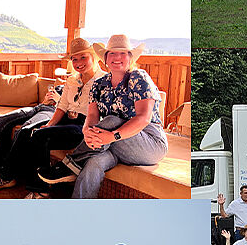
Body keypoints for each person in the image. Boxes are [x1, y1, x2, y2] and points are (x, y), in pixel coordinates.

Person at [38, 35, 168, 198]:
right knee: (93, 163)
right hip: (113, 143)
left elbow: (143, 118)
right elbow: (92, 115)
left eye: (122, 53)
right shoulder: (99, 84)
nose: (117, 57)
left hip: (148, 143)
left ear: (130, 57)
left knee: (111, 120)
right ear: (105, 58)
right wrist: (87, 131)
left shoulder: (138, 78)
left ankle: (70, 164)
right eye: (112, 53)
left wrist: (113, 136)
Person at [17, 39, 107, 198]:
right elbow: (62, 106)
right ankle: (27, 179)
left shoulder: (104, 81)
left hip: (84, 125)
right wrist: (50, 124)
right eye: (74, 59)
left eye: (83, 57)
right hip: (66, 120)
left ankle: (40, 190)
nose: (78, 62)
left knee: (39, 136)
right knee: (29, 132)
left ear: (93, 58)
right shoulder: (72, 80)